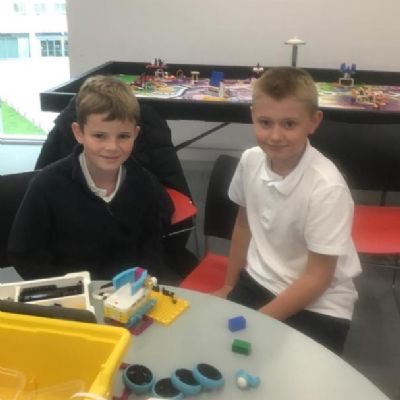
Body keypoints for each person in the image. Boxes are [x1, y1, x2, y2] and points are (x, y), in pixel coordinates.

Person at [215, 67, 361, 355]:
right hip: (259, 281)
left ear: (313, 121)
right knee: (219, 352)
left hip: (320, 304)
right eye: (265, 122)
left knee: (290, 372)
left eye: (289, 124)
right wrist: (229, 286)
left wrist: (259, 322)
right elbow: (243, 225)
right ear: (253, 116)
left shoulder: (327, 187)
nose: (275, 135)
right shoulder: (250, 161)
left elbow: (318, 278)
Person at [8, 75, 178, 282]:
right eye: (99, 136)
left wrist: (144, 279)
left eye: (123, 136)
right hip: (70, 293)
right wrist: (64, 287)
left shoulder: (145, 184)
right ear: (78, 133)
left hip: (127, 291)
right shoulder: (47, 185)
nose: (112, 147)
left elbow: (151, 244)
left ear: (135, 134)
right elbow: (25, 253)